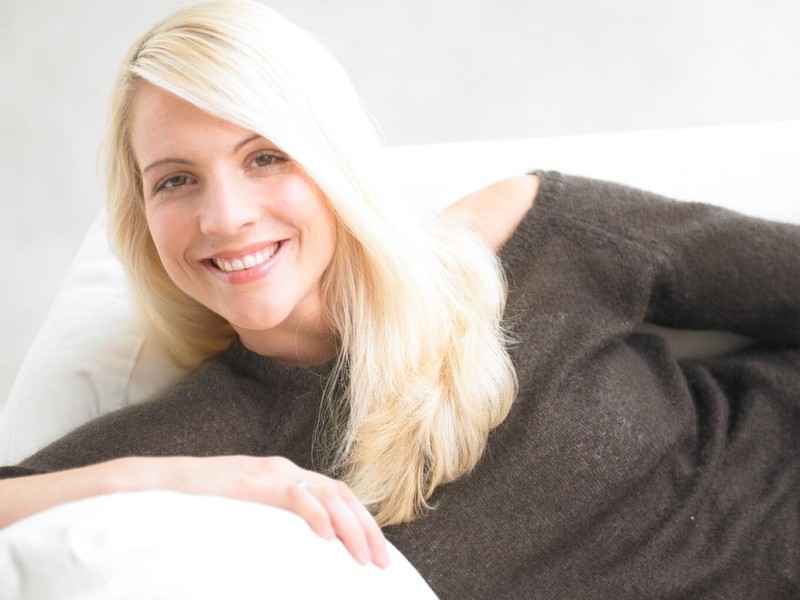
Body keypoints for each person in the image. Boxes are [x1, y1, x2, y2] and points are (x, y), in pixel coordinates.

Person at [1, 1, 798, 598]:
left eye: (265, 157)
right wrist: (162, 482)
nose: (225, 217)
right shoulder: (207, 440)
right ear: (142, 216)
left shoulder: (530, 239)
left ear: (334, 159)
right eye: (176, 180)